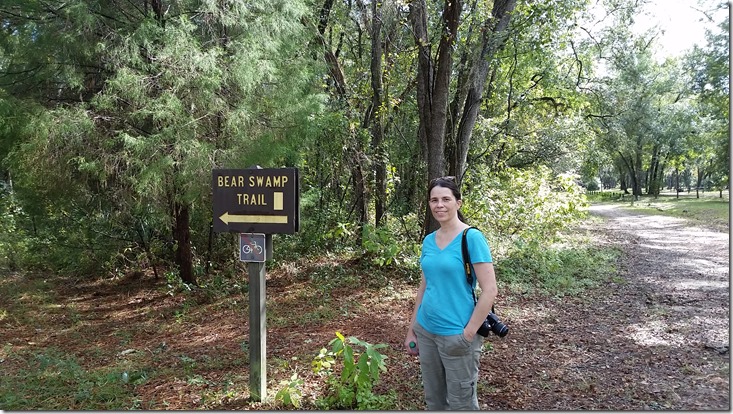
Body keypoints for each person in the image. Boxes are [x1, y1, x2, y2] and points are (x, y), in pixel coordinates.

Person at [404, 176, 498, 410]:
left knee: (461, 404)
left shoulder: (472, 238)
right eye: (434, 200)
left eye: (446, 199)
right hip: (426, 332)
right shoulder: (428, 241)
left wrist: (468, 334)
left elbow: (490, 290)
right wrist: (412, 329)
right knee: (434, 401)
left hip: (457, 335)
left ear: (458, 203)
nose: (439, 205)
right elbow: (425, 287)